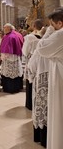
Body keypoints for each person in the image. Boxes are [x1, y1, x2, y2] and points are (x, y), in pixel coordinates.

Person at [30, 9, 63, 149]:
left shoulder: (60, 34)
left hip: (60, 76)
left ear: (59, 23)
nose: (51, 28)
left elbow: (41, 48)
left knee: (58, 112)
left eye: (52, 24)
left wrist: (49, 32)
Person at [22, 19, 43, 110]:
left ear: (34, 26)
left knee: (30, 82)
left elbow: (25, 51)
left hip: (31, 61)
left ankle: (30, 103)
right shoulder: (45, 36)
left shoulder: (30, 37)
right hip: (42, 62)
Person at [0, 23, 23, 93]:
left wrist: (2, 57)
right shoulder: (13, 35)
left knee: (9, 74)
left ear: (8, 29)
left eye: (5, 28)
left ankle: (9, 88)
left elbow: (6, 51)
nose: (3, 29)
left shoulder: (9, 37)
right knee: (14, 74)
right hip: (15, 57)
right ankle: (15, 88)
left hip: (9, 58)